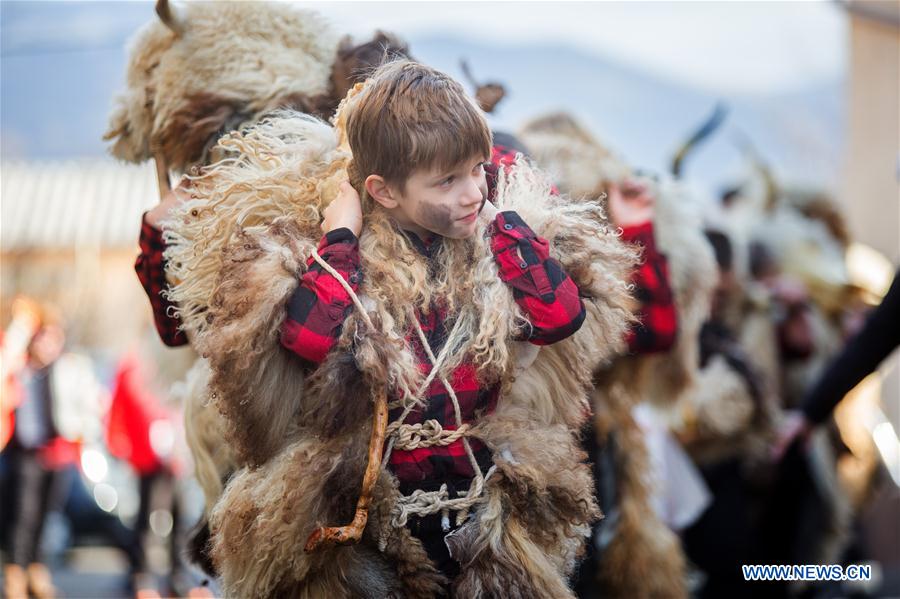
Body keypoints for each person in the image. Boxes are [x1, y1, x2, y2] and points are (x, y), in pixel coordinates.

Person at [277, 59, 585, 586]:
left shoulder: (492, 245)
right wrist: (341, 236)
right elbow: (307, 340)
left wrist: (501, 227)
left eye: (477, 170)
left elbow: (561, 316)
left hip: (480, 505)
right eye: (447, 181)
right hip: (378, 512)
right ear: (384, 192)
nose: (472, 193)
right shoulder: (352, 255)